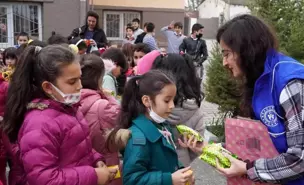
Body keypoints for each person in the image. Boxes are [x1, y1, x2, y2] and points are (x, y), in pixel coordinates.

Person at [185, 14, 304, 185]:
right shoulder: (262, 82)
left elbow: (302, 158)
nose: (224, 63)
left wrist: (249, 170)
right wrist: (208, 149)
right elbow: (259, 143)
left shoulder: (292, 83)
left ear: (246, 48)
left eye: (227, 54)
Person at [2, 45, 116, 185]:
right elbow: (44, 179)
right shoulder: (39, 124)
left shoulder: (69, 108)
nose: (80, 85)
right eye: (72, 81)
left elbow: (78, 147)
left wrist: (95, 159)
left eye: (79, 78)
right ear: (48, 87)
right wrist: (93, 176)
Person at [106, 70, 195, 185]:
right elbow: (132, 179)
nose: (172, 106)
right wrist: (170, 179)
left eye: (173, 100)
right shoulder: (138, 138)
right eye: (167, 100)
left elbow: (167, 159)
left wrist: (182, 173)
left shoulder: (163, 127)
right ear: (147, 101)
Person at [79, 54, 128, 185]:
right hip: (105, 162)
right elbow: (120, 115)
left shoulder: (73, 100)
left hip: (82, 164)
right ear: (100, 78)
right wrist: (107, 96)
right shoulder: (101, 105)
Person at [152, 53, 204, 166]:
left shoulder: (149, 107)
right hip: (181, 168)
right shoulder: (194, 110)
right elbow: (197, 148)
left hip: (152, 166)